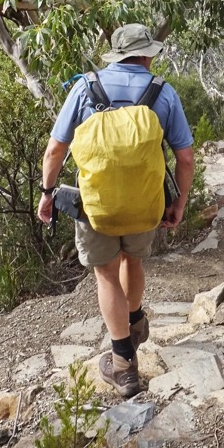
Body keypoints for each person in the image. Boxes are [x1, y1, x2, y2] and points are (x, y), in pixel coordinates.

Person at [37, 23, 195, 398]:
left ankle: (123, 364)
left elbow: (55, 151)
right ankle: (135, 320)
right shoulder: (162, 92)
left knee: (106, 274)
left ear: (116, 54)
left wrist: (47, 193)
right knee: (132, 263)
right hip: (145, 202)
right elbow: (185, 158)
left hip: (97, 205)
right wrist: (179, 203)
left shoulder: (85, 88)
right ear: (147, 54)